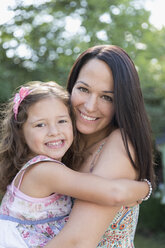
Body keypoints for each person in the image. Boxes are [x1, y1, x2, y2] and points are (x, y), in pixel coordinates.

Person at [0, 81, 150, 247]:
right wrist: (146, 188)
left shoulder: (41, 168)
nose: (54, 131)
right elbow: (113, 193)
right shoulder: (44, 171)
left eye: (62, 121)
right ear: (20, 133)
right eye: (40, 124)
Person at [46, 45, 154, 248]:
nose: (89, 106)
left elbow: (77, 241)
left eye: (106, 97)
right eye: (83, 89)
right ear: (71, 86)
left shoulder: (119, 144)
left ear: (122, 103)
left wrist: (146, 189)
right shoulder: (59, 141)